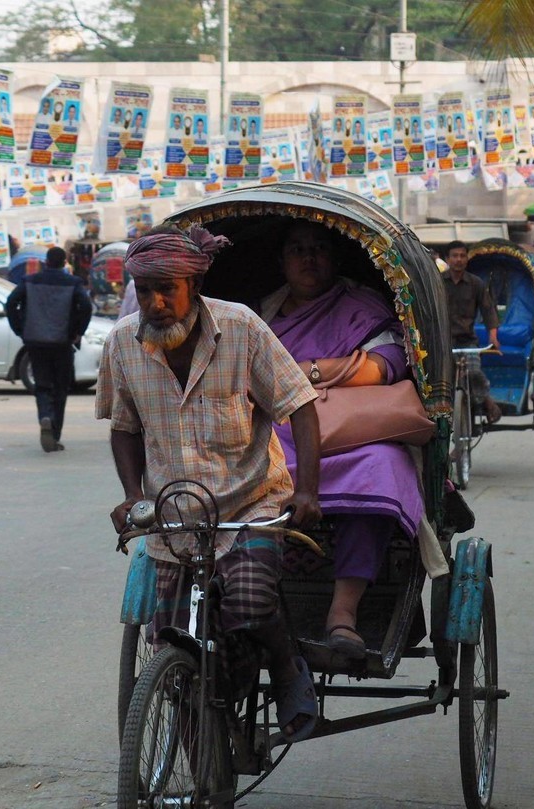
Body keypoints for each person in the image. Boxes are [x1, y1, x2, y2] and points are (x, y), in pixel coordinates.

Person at [95, 223, 322, 742]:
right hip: (175, 517)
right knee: (173, 639)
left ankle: (288, 669)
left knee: (249, 603)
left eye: (166, 289)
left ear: (192, 288)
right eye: (144, 290)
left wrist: (307, 490)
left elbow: (301, 406)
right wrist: (133, 495)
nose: (154, 303)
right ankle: (208, 714)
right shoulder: (122, 345)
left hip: (252, 504)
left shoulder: (240, 328)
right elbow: (124, 428)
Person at [260, 220, 424, 659]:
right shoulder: (261, 316)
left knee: (383, 466)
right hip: (277, 435)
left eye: (318, 248)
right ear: (282, 261)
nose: (308, 257)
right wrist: (335, 369)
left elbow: (386, 365)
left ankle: (343, 613)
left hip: (348, 437)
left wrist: (308, 371)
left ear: (334, 259)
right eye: (298, 249)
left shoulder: (359, 307)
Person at [5, 246, 91, 453]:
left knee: (42, 386)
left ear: (47, 262)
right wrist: (78, 331)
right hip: (62, 343)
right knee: (60, 389)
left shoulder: (30, 281)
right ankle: (55, 433)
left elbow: (11, 303)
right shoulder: (73, 283)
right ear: (64, 263)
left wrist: (20, 329)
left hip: (35, 341)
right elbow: (86, 307)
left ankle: (45, 415)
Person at [443, 240, 502, 423]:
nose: (458, 260)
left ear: (466, 259)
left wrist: (493, 336)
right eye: (454, 256)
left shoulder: (476, 284)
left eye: (462, 256)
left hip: (468, 342)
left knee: (474, 373)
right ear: (447, 259)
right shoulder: (437, 282)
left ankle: (487, 401)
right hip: (444, 342)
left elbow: (488, 310)